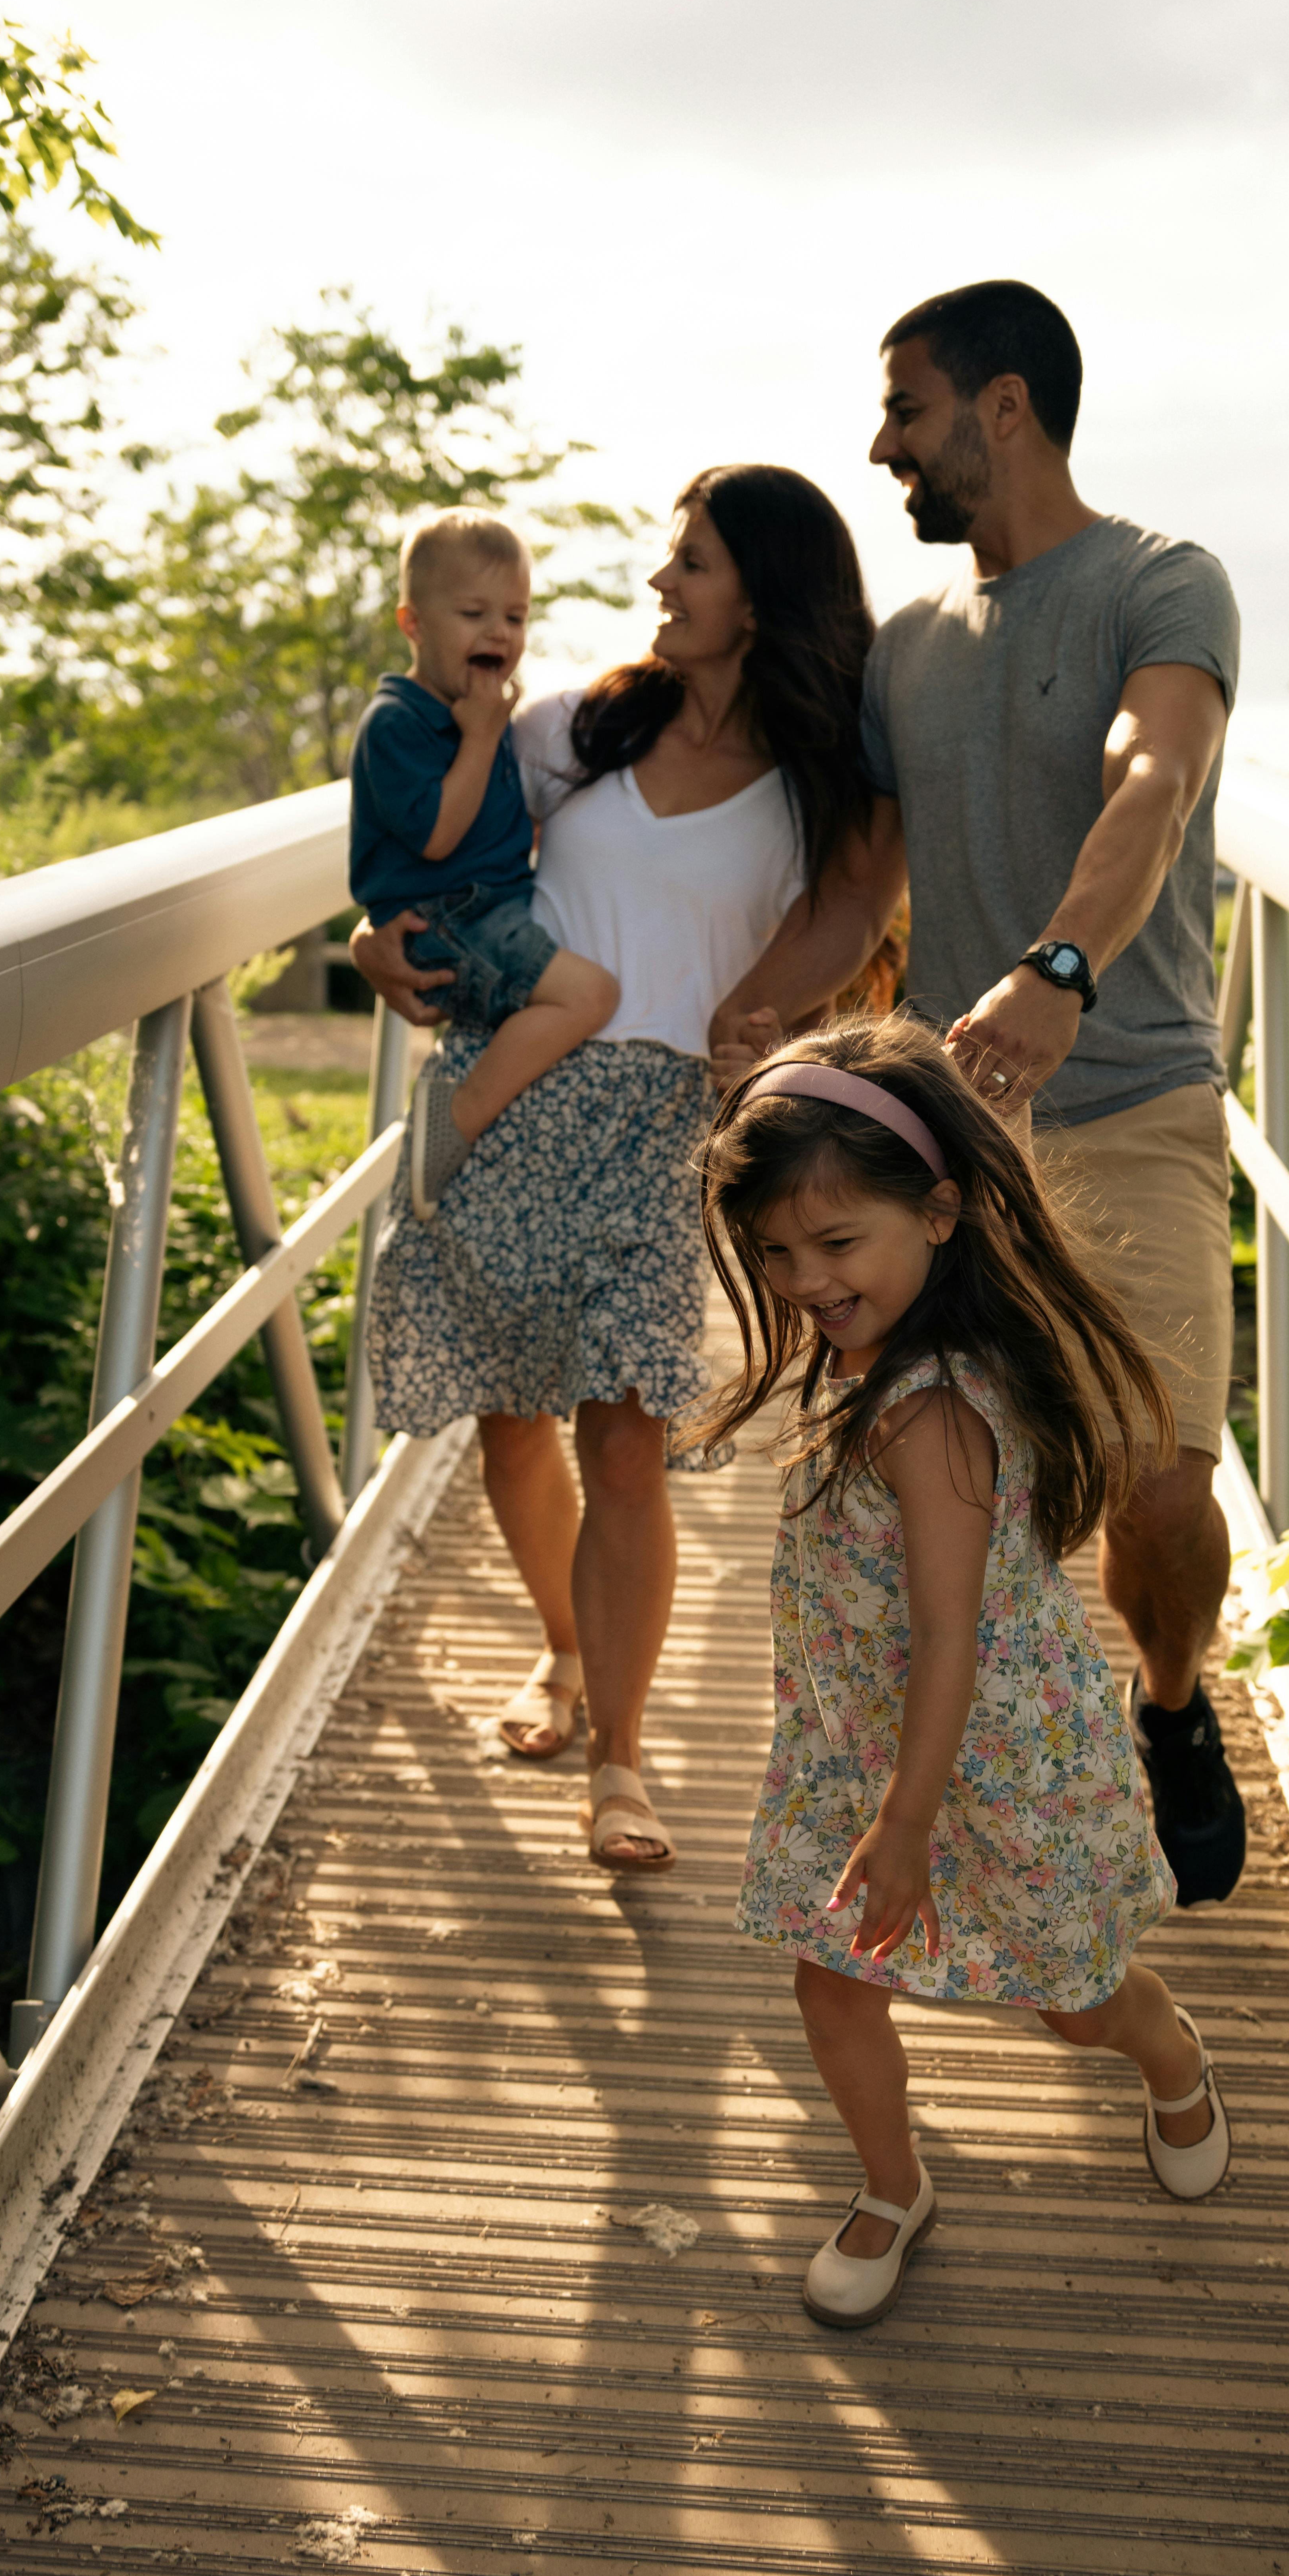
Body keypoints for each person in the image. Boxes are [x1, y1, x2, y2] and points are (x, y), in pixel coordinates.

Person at [711, 278, 1247, 1909]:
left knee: (1160, 1492)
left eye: (906, 410)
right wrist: (751, 1009)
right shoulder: (912, 654)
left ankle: (1166, 1701)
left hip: (1132, 1091)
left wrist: (1060, 970)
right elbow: (867, 876)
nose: (884, 448)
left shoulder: (1161, 582)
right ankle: (956, 1803)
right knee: (948, 1489)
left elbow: (1153, 781)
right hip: (942, 1138)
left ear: (1001, 407)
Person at [348, 466, 899, 1873]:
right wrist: (376, 942)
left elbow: (854, 907)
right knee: (512, 1421)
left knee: (626, 1430)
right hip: (515, 1097)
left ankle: (624, 1759)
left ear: (761, 597)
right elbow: (443, 856)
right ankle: (563, 1646)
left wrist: (757, 1019)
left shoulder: (819, 778)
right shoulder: (577, 726)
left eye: (692, 565)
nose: (660, 587)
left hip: (668, 1125)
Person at [692, 1011, 1232, 2328]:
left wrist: (909, 1819)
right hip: (865, 1741)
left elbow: (954, 1634)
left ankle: (1174, 2061)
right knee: (830, 1977)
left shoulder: (932, 1408)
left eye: (835, 1242)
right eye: (774, 1251)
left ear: (938, 1213)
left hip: (988, 1758)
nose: (803, 1278)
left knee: (1077, 2001)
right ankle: (892, 2186)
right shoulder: (861, 1357)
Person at [349, 511, 617, 1220]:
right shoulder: (399, 722)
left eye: (516, 616)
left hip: (482, 910)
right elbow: (437, 837)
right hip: (450, 917)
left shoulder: (478, 712)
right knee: (589, 997)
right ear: (413, 623)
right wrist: (480, 737)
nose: (499, 633)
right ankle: (458, 1116)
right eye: (473, 614)